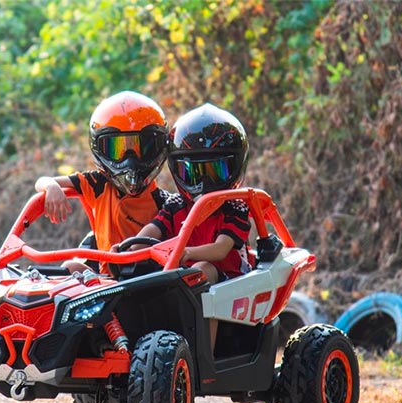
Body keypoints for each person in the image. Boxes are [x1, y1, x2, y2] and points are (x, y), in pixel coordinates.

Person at [34, 90, 170, 272]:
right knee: (70, 266)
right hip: (103, 280)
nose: (130, 160)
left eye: (140, 148)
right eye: (117, 149)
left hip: (146, 281)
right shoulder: (98, 184)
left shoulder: (164, 202)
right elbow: (43, 181)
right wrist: (51, 186)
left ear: (158, 148)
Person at [129, 103, 252, 285]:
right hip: (182, 279)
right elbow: (152, 230)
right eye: (192, 173)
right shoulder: (175, 204)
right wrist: (130, 248)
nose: (204, 183)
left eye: (215, 171)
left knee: (202, 269)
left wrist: (186, 252)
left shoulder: (235, 208)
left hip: (228, 283)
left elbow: (221, 249)